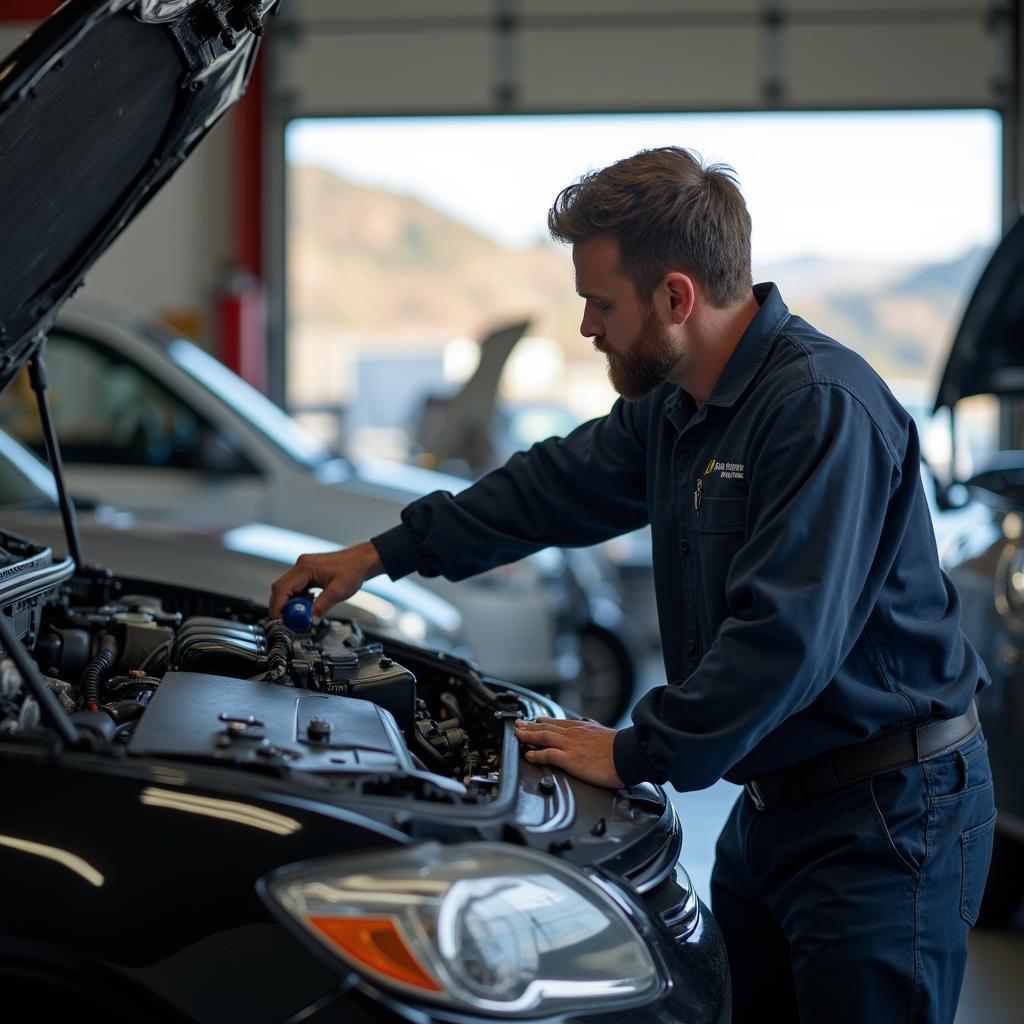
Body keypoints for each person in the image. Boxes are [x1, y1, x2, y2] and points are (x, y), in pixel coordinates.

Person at [269, 147, 994, 1023]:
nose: (587, 328)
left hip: (884, 818)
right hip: (773, 807)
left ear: (676, 298)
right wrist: (377, 555)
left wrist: (635, 751)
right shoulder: (679, 407)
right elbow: (545, 490)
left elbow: (783, 639)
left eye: (600, 303)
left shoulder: (818, 407)